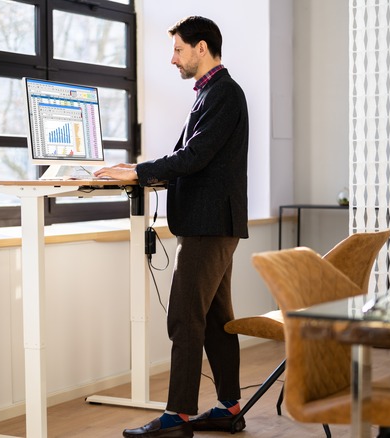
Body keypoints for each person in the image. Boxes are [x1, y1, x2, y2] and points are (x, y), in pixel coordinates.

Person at [94, 15, 249, 438]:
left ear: (202, 48)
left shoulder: (223, 93)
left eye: (178, 49)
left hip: (209, 224)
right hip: (212, 222)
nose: (173, 59)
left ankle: (178, 416)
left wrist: (139, 172)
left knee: (184, 317)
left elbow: (194, 156)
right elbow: (193, 156)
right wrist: (136, 170)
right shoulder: (212, 93)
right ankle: (229, 407)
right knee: (216, 318)